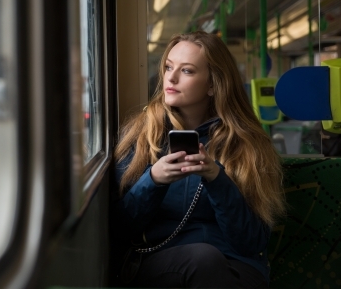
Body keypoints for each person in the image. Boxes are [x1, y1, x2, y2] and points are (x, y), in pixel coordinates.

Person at [111, 31, 286, 288]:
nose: (170, 77)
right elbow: (121, 229)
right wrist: (154, 180)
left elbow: (251, 241)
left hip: (235, 264)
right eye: (169, 67)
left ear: (213, 84)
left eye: (187, 71)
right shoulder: (141, 136)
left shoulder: (248, 144)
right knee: (203, 259)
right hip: (158, 260)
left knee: (210, 263)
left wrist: (217, 179)